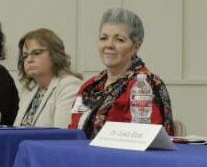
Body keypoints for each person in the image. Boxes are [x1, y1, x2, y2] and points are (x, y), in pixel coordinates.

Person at [69, 8, 175, 138]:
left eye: (119, 40)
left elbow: (144, 138)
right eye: (103, 38)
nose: (109, 45)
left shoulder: (144, 85)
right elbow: (72, 132)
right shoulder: (89, 87)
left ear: (136, 47)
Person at [14, 28, 82, 128]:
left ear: (55, 54)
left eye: (36, 53)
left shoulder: (69, 85)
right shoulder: (29, 89)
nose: (29, 59)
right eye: (25, 55)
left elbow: (62, 133)